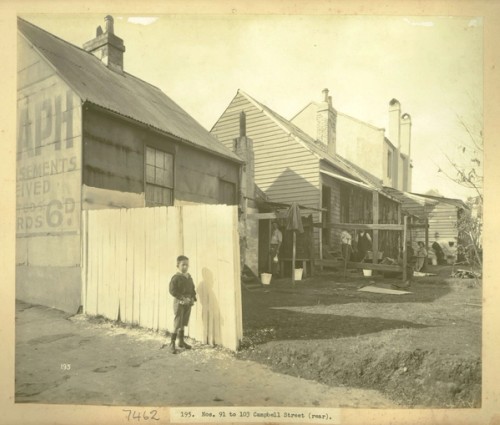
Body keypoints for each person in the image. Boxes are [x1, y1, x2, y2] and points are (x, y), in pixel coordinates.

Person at [166, 255, 197, 354]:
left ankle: (181, 341)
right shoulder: (176, 278)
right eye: (183, 265)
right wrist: (182, 298)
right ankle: (172, 343)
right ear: (177, 265)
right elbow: (172, 291)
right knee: (178, 322)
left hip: (188, 302)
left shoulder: (189, 278)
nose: (185, 267)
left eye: (187, 265)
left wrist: (192, 298)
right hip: (179, 302)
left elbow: (192, 289)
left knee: (183, 321)